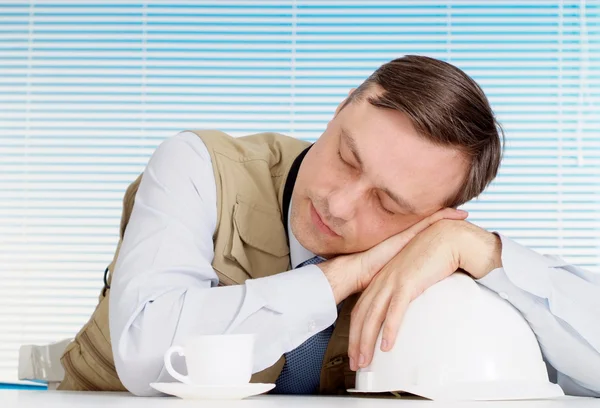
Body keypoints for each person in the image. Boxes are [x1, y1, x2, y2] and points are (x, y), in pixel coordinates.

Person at [59, 55, 600, 397]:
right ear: (342, 105)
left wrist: (479, 249)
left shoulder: (439, 251)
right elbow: (146, 349)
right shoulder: (198, 163)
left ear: (435, 216)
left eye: (389, 203)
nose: (339, 206)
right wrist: (347, 274)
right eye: (347, 156)